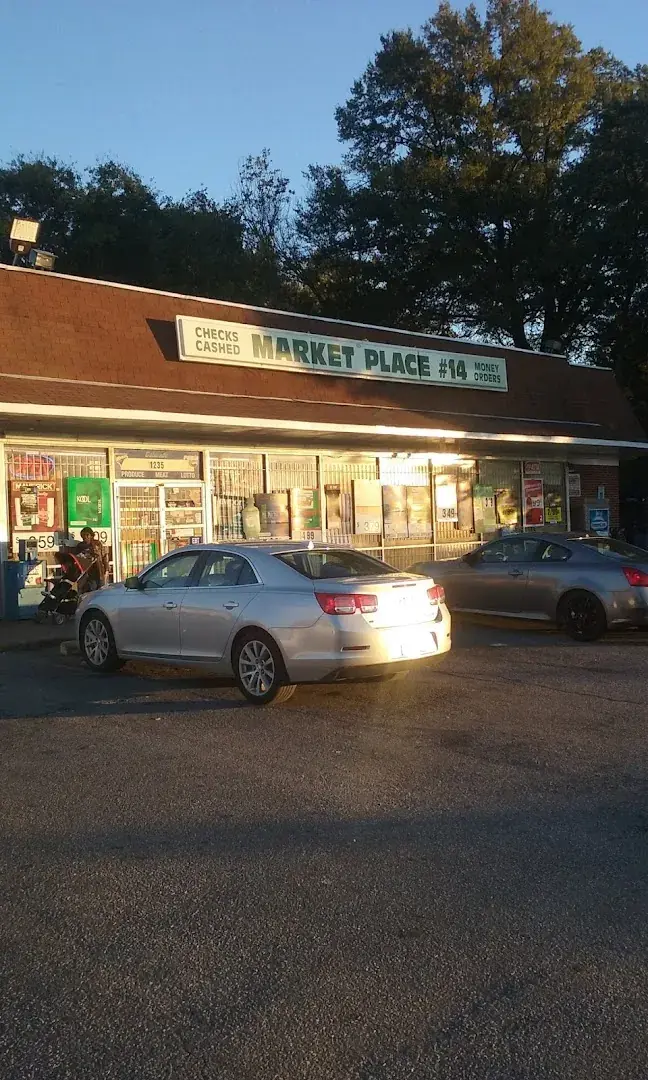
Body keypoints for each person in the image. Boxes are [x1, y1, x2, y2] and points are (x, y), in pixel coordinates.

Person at [75, 527, 109, 592]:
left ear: (91, 535)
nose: (86, 537)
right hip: (88, 572)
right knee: (92, 589)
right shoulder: (80, 546)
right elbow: (78, 558)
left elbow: (104, 556)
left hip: (99, 571)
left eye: (87, 535)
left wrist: (106, 569)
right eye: (84, 536)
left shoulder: (97, 544)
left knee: (101, 590)